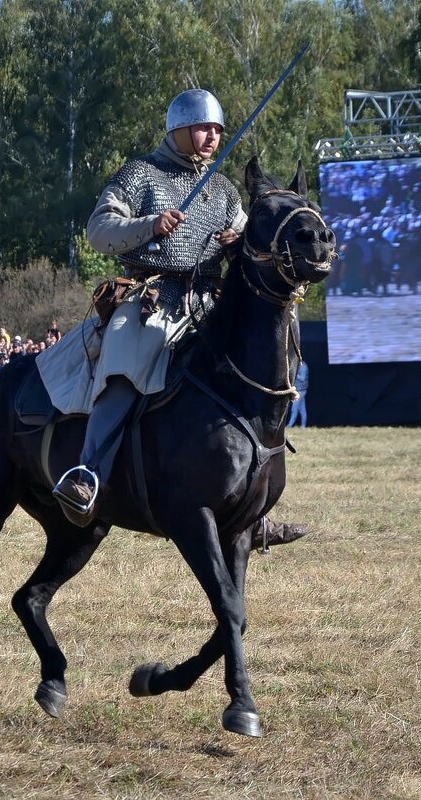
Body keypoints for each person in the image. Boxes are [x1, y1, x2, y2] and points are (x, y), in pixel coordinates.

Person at [46, 88, 308, 548]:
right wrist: (147, 226)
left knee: (251, 384)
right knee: (124, 372)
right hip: (152, 302)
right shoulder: (141, 174)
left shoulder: (225, 190)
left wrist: (236, 243)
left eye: (217, 130)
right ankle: (87, 474)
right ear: (178, 129)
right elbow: (98, 231)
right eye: (204, 128)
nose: (212, 137)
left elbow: (255, 240)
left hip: (209, 305)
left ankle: (253, 509)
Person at [286, 360, 309, 428]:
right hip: (300, 389)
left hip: (301, 391)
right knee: (302, 410)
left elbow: (302, 378)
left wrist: (294, 374)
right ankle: (303, 426)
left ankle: (290, 425)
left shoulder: (302, 366)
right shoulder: (299, 365)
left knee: (294, 409)